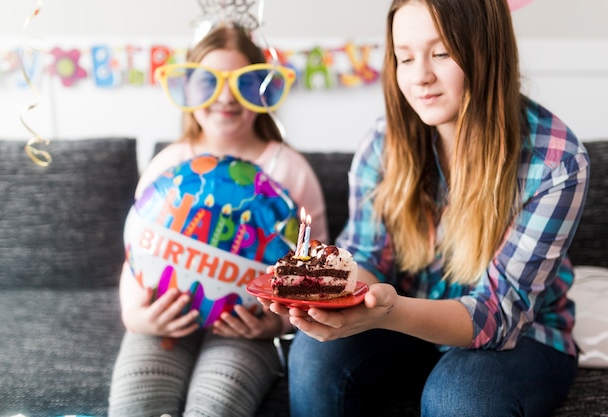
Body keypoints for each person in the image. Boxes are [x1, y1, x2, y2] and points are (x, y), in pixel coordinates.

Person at [261, 1, 589, 416]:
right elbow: (366, 258)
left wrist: (389, 309)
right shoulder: (382, 145)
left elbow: (497, 314)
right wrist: (324, 290)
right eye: (405, 57)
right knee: (312, 351)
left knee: (459, 394)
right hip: (403, 326)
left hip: (523, 341)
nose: (421, 77)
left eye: (441, 53)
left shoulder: (556, 161)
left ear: (485, 50)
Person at [108, 23, 328, 417]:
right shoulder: (169, 165)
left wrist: (274, 327)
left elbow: (314, 274)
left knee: (216, 405)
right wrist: (135, 315)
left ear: (263, 87)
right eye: (209, 82)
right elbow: (135, 253)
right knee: (137, 401)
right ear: (188, 88)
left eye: (242, 83)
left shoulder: (290, 170)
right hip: (165, 318)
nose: (225, 97)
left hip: (247, 329)